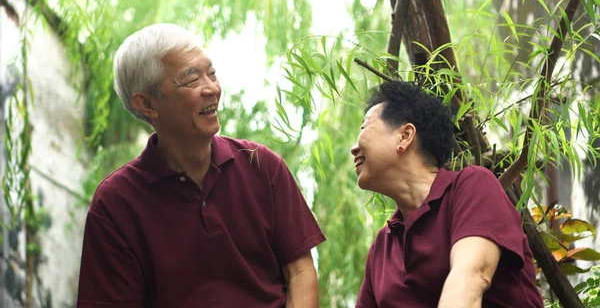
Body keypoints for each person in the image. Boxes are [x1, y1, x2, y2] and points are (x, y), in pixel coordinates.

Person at [76, 23, 326, 308]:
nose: (212, 89)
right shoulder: (116, 203)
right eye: (191, 79)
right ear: (147, 104)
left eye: (212, 73)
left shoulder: (261, 165)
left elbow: (300, 270)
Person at [350, 81, 544, 308]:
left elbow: (470, 279)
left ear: (405, 136)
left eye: (364, 128)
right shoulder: (383, 247)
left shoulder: (473, 187)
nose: (354, 147)